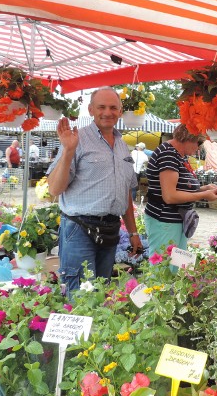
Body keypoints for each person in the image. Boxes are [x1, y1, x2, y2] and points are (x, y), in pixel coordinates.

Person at [47, 87, 141, 296]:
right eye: (101, 107)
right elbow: (54, 188)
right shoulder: (76, 139)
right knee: (81, 295)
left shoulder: (122, 145)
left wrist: (133, 232)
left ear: (120, 111)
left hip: (110, 229)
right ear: (90, 110)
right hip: (79, 228)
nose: (107, 112)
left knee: (100, 291)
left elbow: (124, 191)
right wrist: (68, 151)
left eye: (113, 107)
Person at [144, 124, 217, 256]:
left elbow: (181, 187)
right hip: (164, 221)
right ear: (189, 138)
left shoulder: (179, 154)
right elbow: (170, 196)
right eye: (199, 142)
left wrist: (204, 189)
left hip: (175, 221)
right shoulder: (168, 154)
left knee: (176, 268)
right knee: (164, 270)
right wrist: (203, 194)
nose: (199, 147)